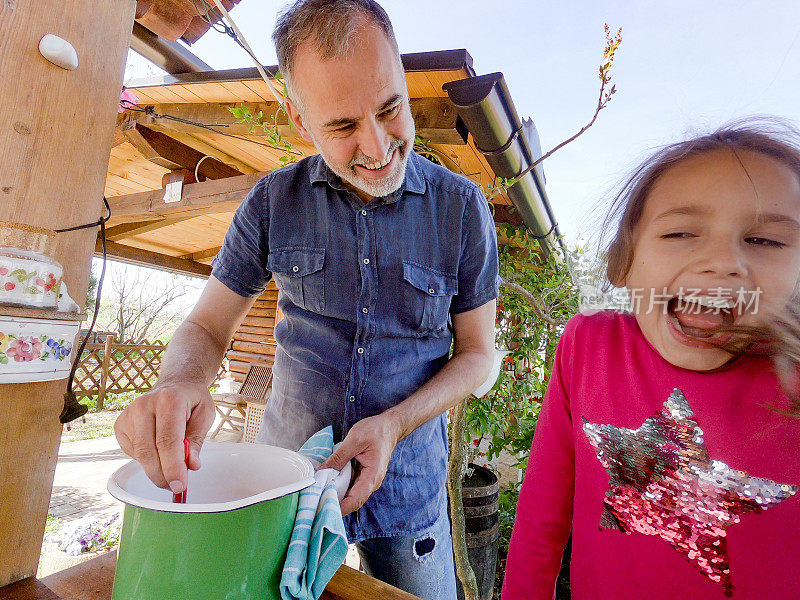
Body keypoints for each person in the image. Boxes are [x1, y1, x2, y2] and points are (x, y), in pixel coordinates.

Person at [114, 1, 499, 598]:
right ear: (300, 121)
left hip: (408, 486)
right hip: (286, 478)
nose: (376, 146)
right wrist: (180, 383)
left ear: (401, 79)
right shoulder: (271, 202)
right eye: (343, 127)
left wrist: (394, 425)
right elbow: (209, 329)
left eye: (390, 108)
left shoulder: (462, 208)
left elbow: (479, 356)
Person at [501, 122, 800, 599]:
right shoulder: (589, 347)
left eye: (765, 241)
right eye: (681, 232)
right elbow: (542, 515)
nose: (722, 261)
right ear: (626, 261)